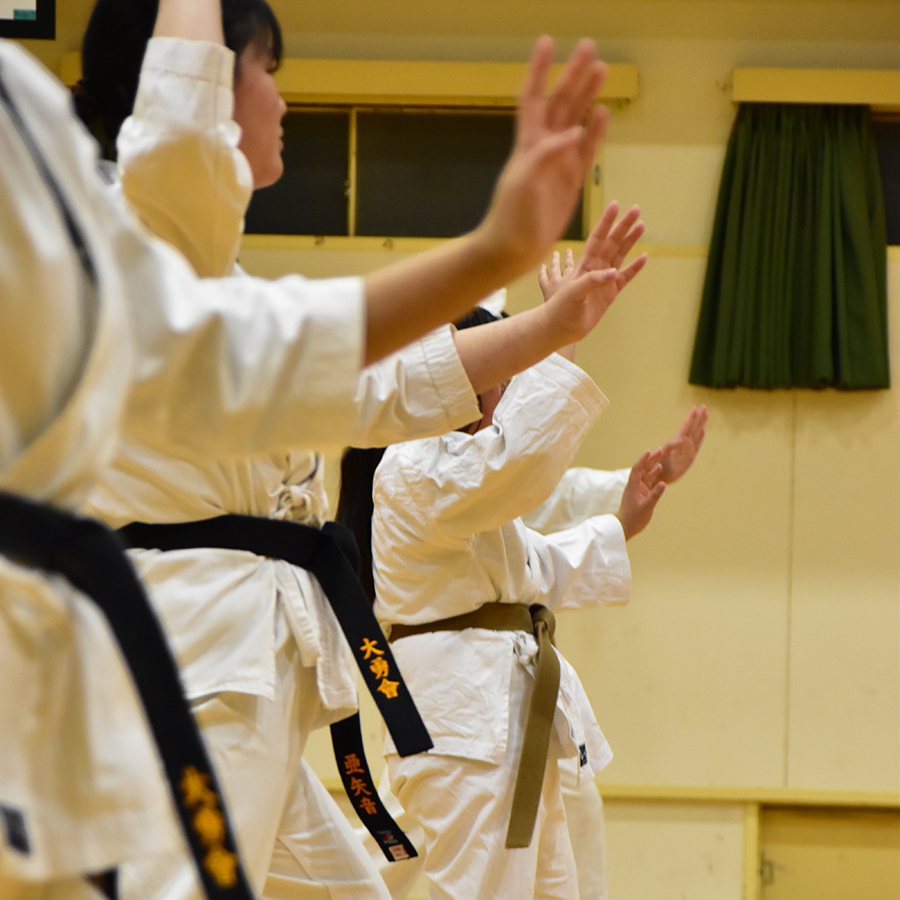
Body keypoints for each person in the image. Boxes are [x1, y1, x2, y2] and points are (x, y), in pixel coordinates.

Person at [0, 17, 623, 900]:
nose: (283, 97)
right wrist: (501, 257)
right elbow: (180, 134)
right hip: (195, 659)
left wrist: (546, 325)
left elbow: (367, 377)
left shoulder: (185, 277)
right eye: (265, 68)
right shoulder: (131, 235)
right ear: (208, 87)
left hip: (225, 655)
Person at [336, 229, 650, 898]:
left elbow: (534, 565)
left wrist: (623, 521)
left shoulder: (454, 482)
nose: (500, 398)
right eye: (492, 380)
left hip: (495, 716)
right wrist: (562, 336)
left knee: (549, 889)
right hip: (463, 723)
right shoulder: (412, 466)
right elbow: (518, 464)